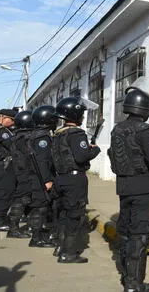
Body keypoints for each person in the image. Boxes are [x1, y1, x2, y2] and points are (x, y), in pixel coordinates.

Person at [109, 87, 149, 292]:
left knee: (126, 233)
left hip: (124, 187)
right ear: (144, 109)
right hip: (143, 187)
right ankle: (135, 285)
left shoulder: (116, 129)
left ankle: (128, 278)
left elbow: (114, 156)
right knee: (140, 234)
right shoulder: (146, 130)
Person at [52, 97, 101, 263]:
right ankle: (69, 253)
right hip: (74, 180)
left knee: (63, 214)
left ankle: (60, 247)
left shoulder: (58, 134)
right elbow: (81, 157)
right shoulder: (77, 133)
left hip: (60, 178)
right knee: (75, 216)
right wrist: (94, 150)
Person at [27, 105, 58, 248]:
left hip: (35, 175)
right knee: (40, 207)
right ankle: (36, 238)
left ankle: (38, 233)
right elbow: (43, 161)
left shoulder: (37, 133)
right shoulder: (42, 137)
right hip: (39, 177)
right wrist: (47, 180)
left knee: (40, 206)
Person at [6, 111, 35, 239]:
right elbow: (31, 155)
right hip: (25, 171)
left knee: (23, 198)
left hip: (20, 170)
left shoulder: (17, 136)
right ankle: (13, 229)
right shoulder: (25, 138)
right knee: (22, 199)